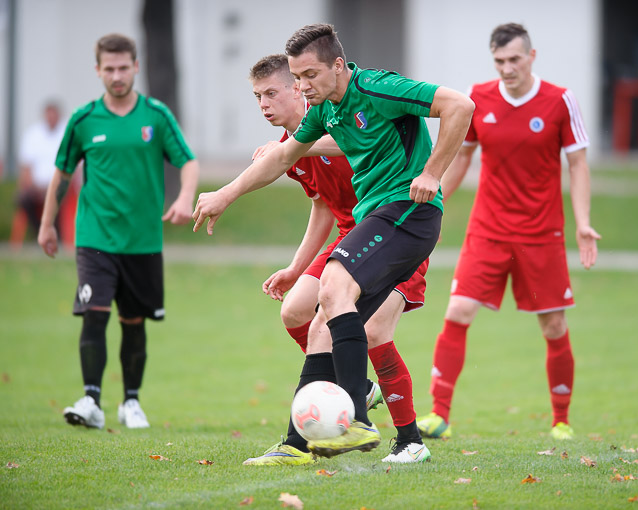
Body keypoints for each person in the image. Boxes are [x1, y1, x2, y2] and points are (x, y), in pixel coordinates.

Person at [193, 24, 474, 459]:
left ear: (338, 66)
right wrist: (225, 195)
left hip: (408, 210)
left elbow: (460, 105)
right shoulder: (325, 112)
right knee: (322, 322)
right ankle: (299, 443)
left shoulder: (377, 87)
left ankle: (357, 419)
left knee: (335, 287)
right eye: (297, 77)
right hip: (375, 219)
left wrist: (432, 172)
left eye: (310, 75)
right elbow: (282, 157)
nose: (303, 86)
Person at [238, 54, 432, 464]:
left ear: (297, 90)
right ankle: (339, 402)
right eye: (257, 97)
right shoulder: (295, 149)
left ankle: (410, 440)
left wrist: (289, 150)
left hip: (392, 231)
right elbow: (323, 207)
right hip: (350, 237)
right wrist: (296, 267)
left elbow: (351, 142)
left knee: (374, 331)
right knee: (296, 312)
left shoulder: (334, 123)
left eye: (272, 93)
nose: (264, 104)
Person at [416, 23, 600, 441]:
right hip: (488, 229)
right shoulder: (478, 97)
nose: (507, 68)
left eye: (515, 59)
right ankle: (439, 415)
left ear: (532, 57)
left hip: (541, 234)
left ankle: (561, 420)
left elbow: (578, 165)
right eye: (499, 61)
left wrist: (584, 223)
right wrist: (434, 204)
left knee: (553, 326)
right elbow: (461, 157)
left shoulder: (560, 100)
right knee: (458, 311)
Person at [38, 33, 199, 430]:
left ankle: (131, 402)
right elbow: (62, 173)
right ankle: (91, 400)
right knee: (93, 314)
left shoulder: (156, 116)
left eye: (123, 67)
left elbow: (188, 162)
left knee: (133, 321)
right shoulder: (84, 120)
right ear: (98, 70)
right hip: (95, 237)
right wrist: (46, 224)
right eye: (109, 68)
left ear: (135, 67)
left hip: (142, 241)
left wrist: (185, 198)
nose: (117, 75)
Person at [15, 101, 66, 236]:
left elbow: (73, 165)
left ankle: (57, 234)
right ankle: (40, 231)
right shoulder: (33, 134)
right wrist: (32, 185)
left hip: (59, 185)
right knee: (23, 199)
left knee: (58, 198)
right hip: (36, 186)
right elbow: (26, 166)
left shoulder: (67, 133)